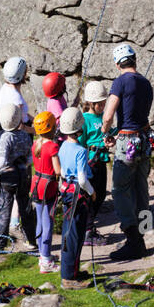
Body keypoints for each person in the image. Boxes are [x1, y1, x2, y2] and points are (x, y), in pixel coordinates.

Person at [102, 42, 153, 262]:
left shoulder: (120, 82)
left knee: (120, 189)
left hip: (127, 142)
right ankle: (144, 234)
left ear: (117, 64)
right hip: (145, 139)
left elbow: (108, 114)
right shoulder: (146, 83)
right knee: (141, 188)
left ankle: (133, 240)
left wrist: (106, 132)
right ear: (135, 59)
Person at [0, 102, 37, 254]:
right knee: (25, 207)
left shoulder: (5, 137)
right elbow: (30, 157)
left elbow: (2, 160)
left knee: (5, 210)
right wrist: (23, 165)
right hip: (23, 176)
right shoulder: (25, 135)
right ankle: (31, 240)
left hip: (8, 177)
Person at [58, 106, 94, 289]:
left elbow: (64, 172)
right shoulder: (80, 150)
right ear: (80, 128)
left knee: (70, 232)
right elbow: (82, 178)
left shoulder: (63, 146)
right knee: (74, 235)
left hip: (67, 193)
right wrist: (92, 191)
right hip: (78, 195)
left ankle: (73, 271)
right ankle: (68, 278)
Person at [30, 110, 61, 274]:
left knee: (40, 221)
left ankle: (42, 255)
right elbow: (57, 170)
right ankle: (47, 260)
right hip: (49, 186)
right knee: (48, 221)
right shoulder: (53, 146)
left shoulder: (35, 145)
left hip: (36, 184)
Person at [81, 80, 111, 246]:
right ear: (90, 103)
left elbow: (110, 132)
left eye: (104, 103)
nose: (102, 105)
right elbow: (80, 142)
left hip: (102, 161)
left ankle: (88, 229)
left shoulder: (103, 118)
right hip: (91, 162)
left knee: (100, 196)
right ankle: (87, 230)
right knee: (91, 196)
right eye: (99, 103)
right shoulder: (85, 120)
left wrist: (111, 140)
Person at [0, 56, 32, 131]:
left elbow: (23, 113)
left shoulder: (5, 87)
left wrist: (35, 120)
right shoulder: (16, 99)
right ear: (23, 74)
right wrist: (37, 131)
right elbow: (19, 126)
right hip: (23, 133)